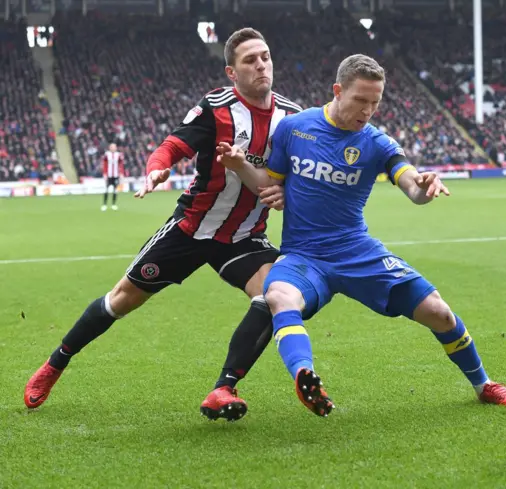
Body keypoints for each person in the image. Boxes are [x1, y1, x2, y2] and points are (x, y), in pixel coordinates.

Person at [217, 54, 506, 417]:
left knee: (438, 312)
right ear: (337, 90)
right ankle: (304, 375)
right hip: (303, 255)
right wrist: (239, 166)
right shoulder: (293, 129)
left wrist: (424, 188)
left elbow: (410, 185)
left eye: (375, 102)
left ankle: (483, 384)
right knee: (279, 297)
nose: (368, 110)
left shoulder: (378, 143)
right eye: (360, 100)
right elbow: (270, 186)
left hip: (357, 251)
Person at [24, 27, 301, 421]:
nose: (261, 65)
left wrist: (285, 192)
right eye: (250, 60)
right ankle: (55, 364)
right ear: (231, 72)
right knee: (121, 300)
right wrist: (156, 170)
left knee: (277, 293)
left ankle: (223, 388)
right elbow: (173, 146)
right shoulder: (217, 108)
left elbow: (300, 175)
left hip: (244, 237)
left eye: (265, 56)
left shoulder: (292, 118)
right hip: (191, 228)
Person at [102, 143, 124, 211]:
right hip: (109, 175)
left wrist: (121, 173)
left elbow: (121, 165)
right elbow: (104, 164)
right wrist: (105, 174)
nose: (113, 148)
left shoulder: (118, 155)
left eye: (114, 147)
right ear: (109, 148)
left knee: (115, 190)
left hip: (116, 175)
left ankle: (113, 204)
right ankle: (104, 205)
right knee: (106, 190)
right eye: (112, 147)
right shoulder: (107, 154)